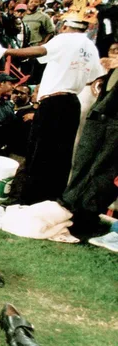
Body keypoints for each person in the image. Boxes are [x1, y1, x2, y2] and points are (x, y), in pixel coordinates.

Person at [4, 11, 104, 204]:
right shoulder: (90, 47)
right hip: (72, 103)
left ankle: (28, 200)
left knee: (38, 153)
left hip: (53, 102)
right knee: (61, 156)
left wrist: (6, 52)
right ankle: (50, 200)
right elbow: (94, 77)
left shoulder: (65, 39)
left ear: (64, 26)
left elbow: (39, 51)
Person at [61, 41, 118, 236]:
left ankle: (85, 216)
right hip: (100, 120)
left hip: (111, 125)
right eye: (113, 49)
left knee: (102, 169)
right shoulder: (109, 70)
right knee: (83, 164)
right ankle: (72, 209)